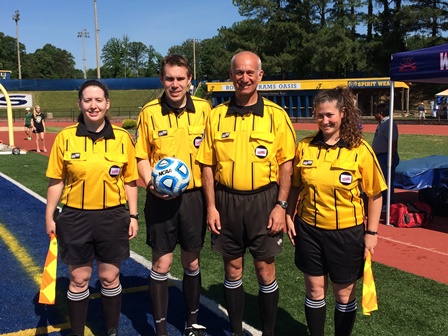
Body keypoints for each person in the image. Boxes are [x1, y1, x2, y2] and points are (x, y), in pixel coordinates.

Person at [196, 51, 296, 336]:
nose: (245, 78)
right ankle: (236, 331)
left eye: (250, 72)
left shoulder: (277, 116)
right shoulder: (216, 116)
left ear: (260, 76)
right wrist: (211, 207)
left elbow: (286, 166)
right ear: (231, 76)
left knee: (265, 269)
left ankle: (269, 332)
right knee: (233, 269)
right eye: (239, 72)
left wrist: (281, 206)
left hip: (264, 201)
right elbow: (206, 165)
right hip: (226, 201)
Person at [285, 87, 386, 336]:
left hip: (346, 233)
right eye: (320, 115)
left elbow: (375, 194)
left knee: (343, 293)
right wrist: (288, 214)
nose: (325, 120)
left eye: (329, 115)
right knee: (314, 290)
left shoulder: (359, 149)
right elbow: (295, 185)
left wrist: (371, 232)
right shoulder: (305, 147)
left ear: (342, 113)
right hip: (308, 230)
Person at [45, 80, 139, 336]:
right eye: (88, 100)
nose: (93, 105)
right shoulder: (65, 138)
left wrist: (133, 215)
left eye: (99, 100)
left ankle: (111, 331)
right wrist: (49, 216)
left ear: (107, 104)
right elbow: (56, 180)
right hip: (76, 217)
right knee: (79, 279)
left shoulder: (123, 138)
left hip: (113, 216)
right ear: (80, 104)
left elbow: (130, 181)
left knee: (109, 278)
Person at [135, 54, 211, 336]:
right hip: (160, 198)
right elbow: (141, 156)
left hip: (194, 198)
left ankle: (192, 323)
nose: (175, 84)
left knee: (192, 261)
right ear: (162, 80)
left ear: (190, 80)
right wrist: (150, 183)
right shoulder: (149, 112)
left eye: (181, 78)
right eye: (170, 79)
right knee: (162, 263)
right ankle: (161, 329)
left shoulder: (205, 109)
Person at [372, 102, 400, 212]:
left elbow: (393, 141)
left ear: (381, 113)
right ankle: (384, 201)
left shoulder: (389, 123)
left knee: (387, 181)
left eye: (376, 113)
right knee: (381, 180)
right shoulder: (382, 123)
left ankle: (388, 203)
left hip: (386, 156)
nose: (374, 115)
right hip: (381, 156)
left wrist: (391, 157)